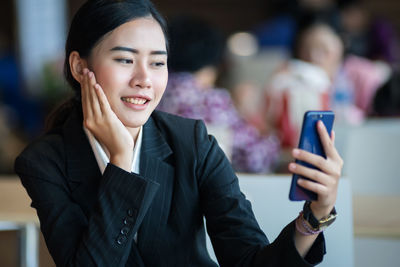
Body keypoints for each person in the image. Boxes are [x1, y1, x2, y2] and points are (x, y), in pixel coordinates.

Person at [14, 0, 343, 266]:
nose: (144, 79)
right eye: (125, 60)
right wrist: (120, 163)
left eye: (158, 63)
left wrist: (315, 215)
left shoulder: (192, 142)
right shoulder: (45, 161)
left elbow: (248, 259)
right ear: (78, 66)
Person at [157, 16, 280, 174]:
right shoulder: (211, 101)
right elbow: (255, 160)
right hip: (202, 192)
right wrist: (256, 119)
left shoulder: (154, 92)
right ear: (213, 61)